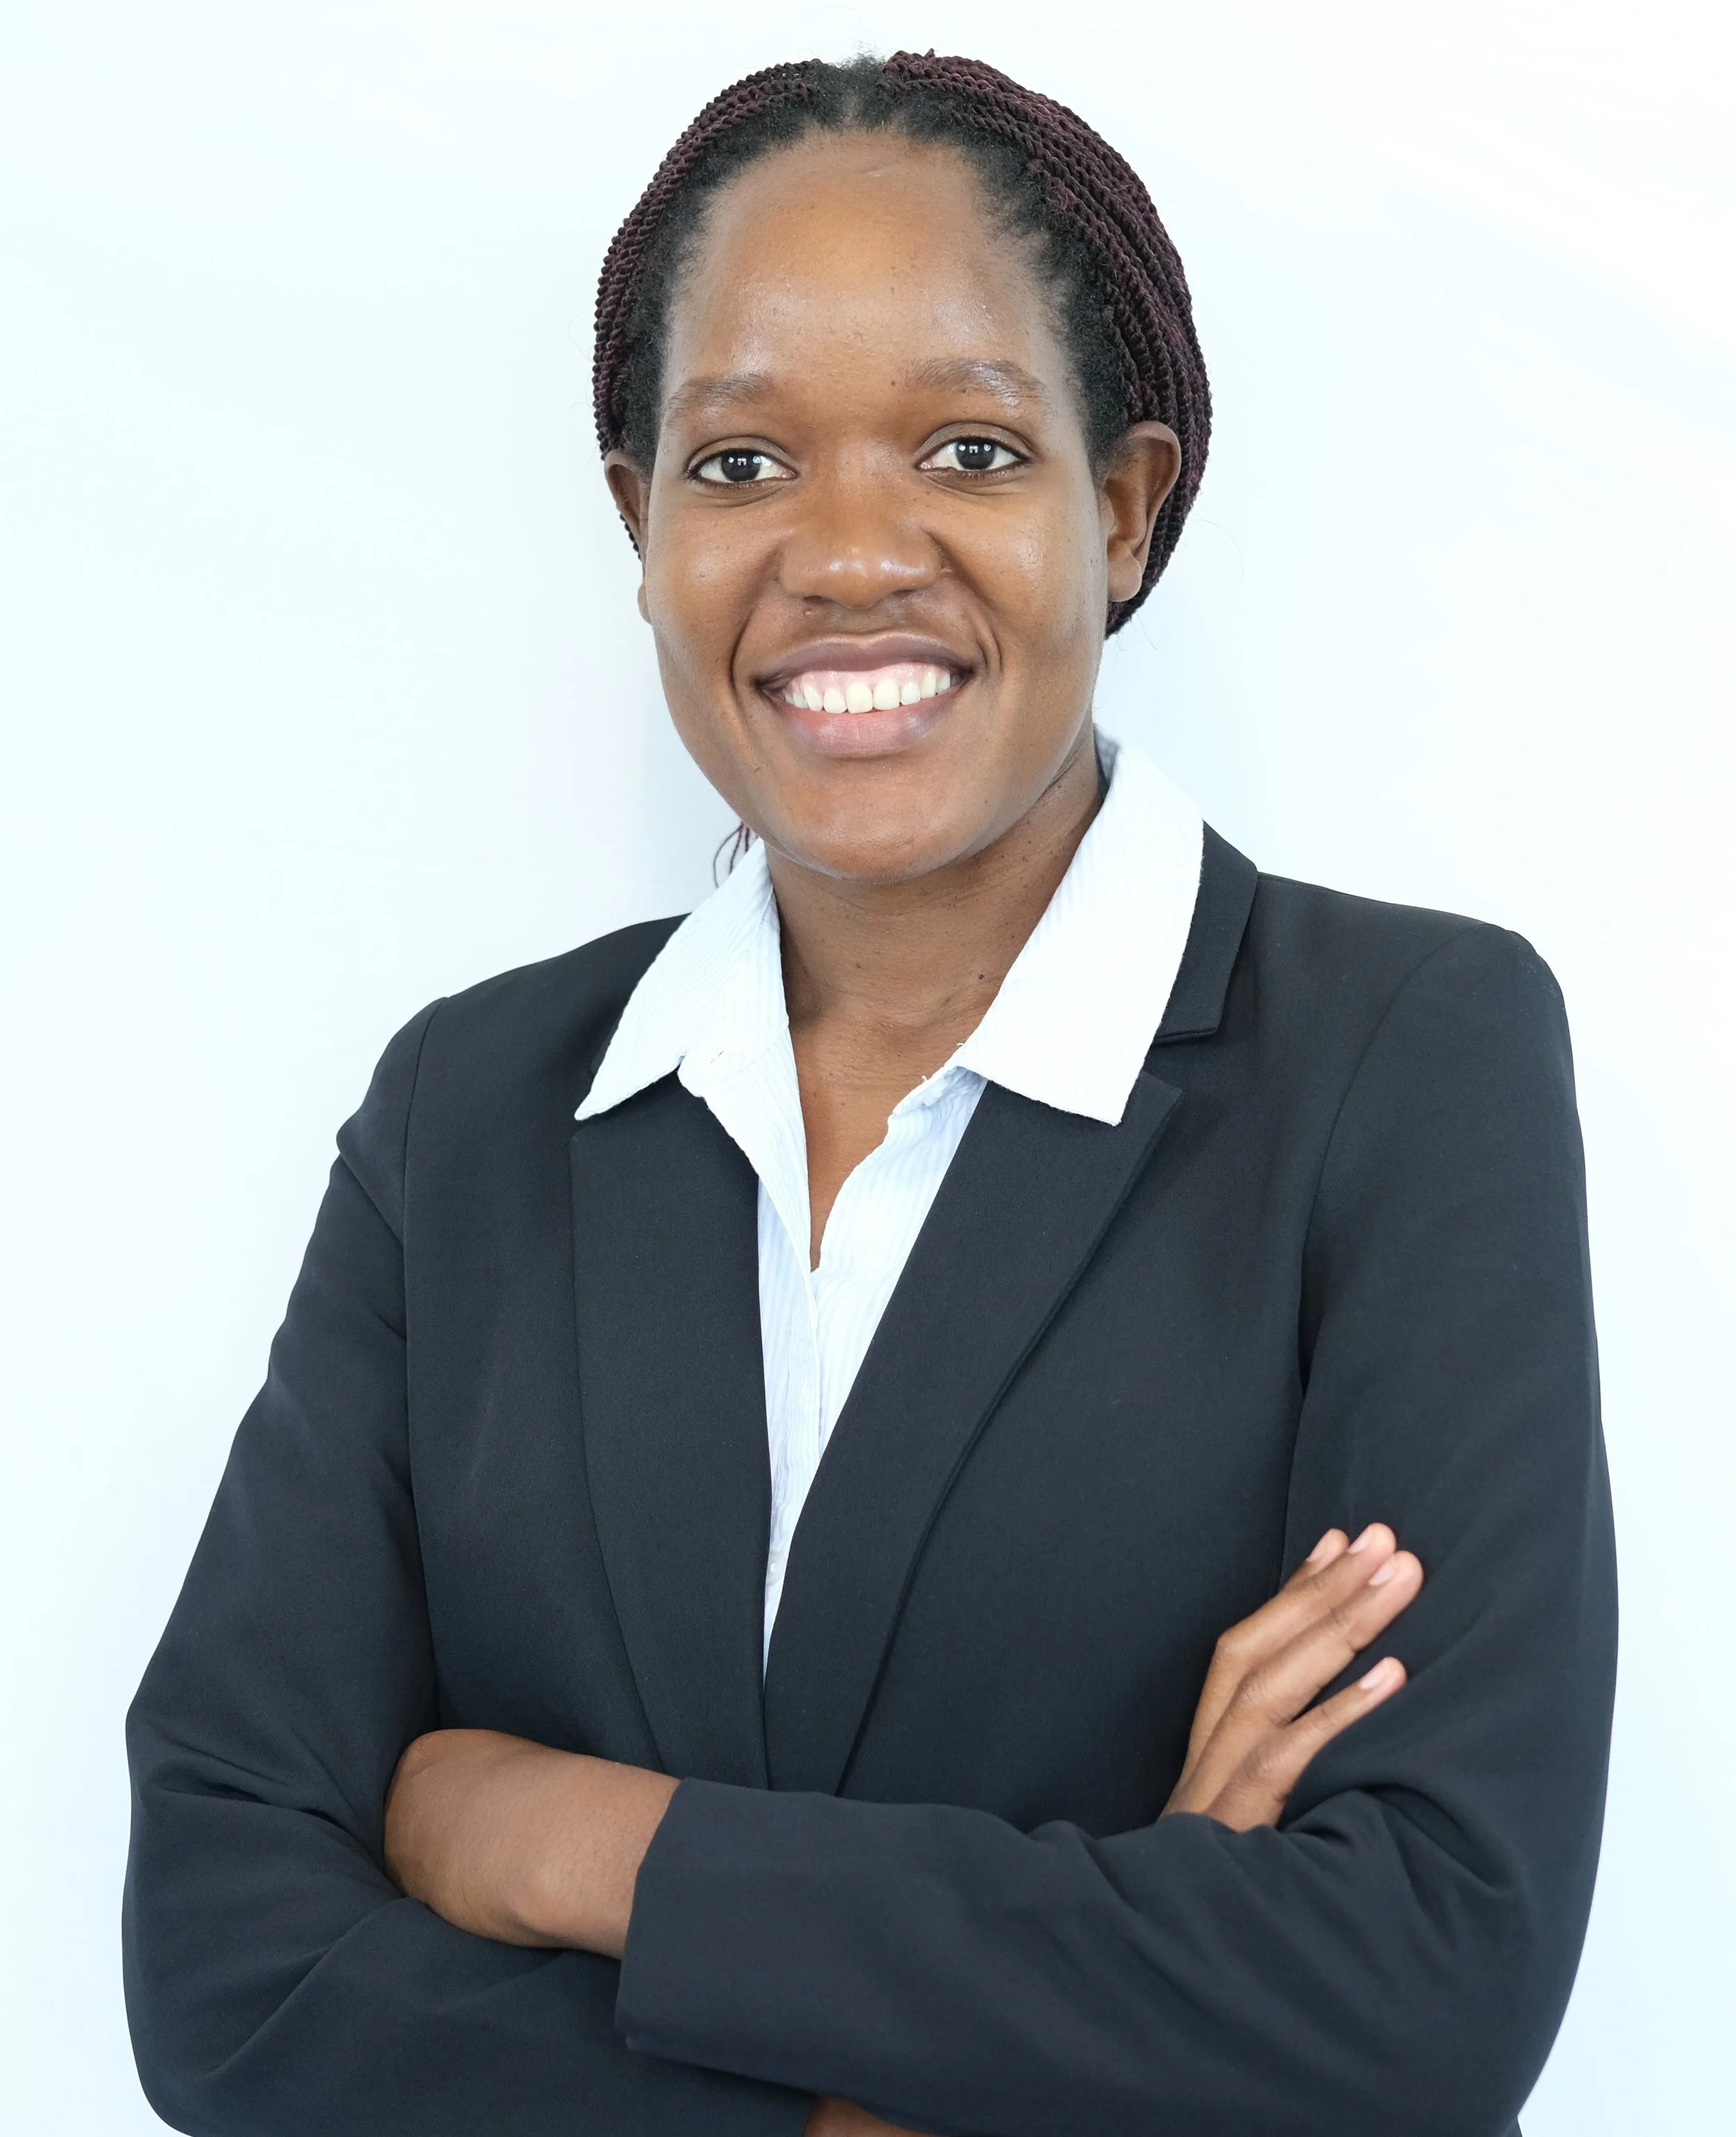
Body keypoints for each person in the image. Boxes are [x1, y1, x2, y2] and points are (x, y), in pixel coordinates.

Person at [122, 51, 1616, 2137]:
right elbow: (228, 1974)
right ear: (642, 525)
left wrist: (580, 1843)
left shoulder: (1401, 1054)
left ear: (1122, 507)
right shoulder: (469, 1112)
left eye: (968, 447)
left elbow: (1423, 1976)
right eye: (740, 464)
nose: (844, 555)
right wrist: (1085, 1985)